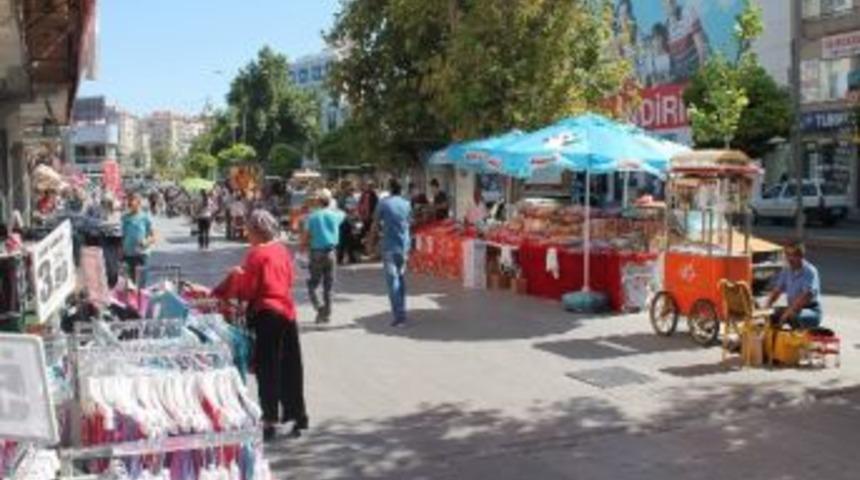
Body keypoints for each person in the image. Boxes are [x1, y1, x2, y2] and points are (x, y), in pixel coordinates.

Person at [212, 210, 308, 441]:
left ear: (257, 231)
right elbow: (289, 279)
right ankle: (297, 416)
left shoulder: (256, 254)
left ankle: (270, 420)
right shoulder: (282, 250)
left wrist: (236, 276)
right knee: (291, 365)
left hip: (267, 314)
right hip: (288, 311)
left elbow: (248, 289)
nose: (248, 235)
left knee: (268, 368)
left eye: (250, 230)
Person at [371, 178, 412, 327]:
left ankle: (399, 316)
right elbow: (408, 223)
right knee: (401, 279)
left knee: (392, 281)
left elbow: (375, 224)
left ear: (389, 188)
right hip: (404, 246)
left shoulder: (384, 203)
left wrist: (370, 242)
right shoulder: (407, 204)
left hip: (389, 246)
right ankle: (402, 311)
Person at [302, 189, 345, 323]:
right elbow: (343, 213)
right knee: (329, 286)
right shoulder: (335, 215)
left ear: (318, 201)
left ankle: (320, 308)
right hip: (331, 252)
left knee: (312, 284)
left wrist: (303, 246)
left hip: (316, 252)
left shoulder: (312, 216)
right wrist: (332, 203)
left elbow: (306, 236)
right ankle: (326, 314)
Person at [764, 242, 822, 329]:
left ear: (801, 256)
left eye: (793, 255)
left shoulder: (810, 271)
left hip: (810, 311)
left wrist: (788, 312)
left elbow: (806, 296)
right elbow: (777, 290)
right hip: (793, 308)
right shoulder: (787, 270)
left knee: (792, 317)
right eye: (787, 255)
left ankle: (796, 341)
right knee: (771, 315)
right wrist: (767, 307)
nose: (789, 258)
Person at [121, 193, 156, 286]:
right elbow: (122, 235)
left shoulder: (145, 217)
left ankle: (141, 299)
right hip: (128, 254)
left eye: (132, 202)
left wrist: (146, 241)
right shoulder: (125, 218)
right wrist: (120, 250)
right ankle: (133, 300)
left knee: (141, 283)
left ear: (139, 203)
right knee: (130, 284)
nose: (130, 204)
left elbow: (154, 236)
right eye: (129, 202)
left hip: (141, 254)